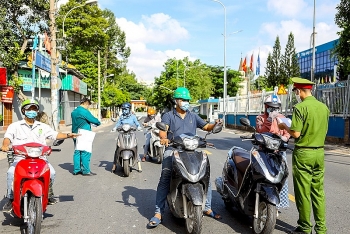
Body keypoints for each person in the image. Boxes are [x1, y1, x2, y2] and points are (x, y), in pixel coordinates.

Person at [148, 87, 222, 228]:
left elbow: (206, 126)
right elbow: (163, 130)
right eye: (183, 100)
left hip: (191, 149)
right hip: (173, 149)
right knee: (165, 177)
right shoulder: (168, 115)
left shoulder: (193, 115)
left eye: (187, 100)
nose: (185, 102)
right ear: (176, 101)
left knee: (204, 175)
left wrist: (215, 125)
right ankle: (158, 212)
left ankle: (206, 207)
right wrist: (164, 139)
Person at [2, 99, 79, 212]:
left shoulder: (42, 126)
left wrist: (68, 135)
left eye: (34, 109)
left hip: (40, 158)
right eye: (29, 109)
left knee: (51, 172)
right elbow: (7, 138)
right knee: (10, 173)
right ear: (24, 111)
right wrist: (5, 145)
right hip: (21, 158)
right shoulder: (15, 126)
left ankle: (48, 193)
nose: (32, 111)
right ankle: (10, 198)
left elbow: (55, 135)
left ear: (37, 111)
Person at [278, 77, 329, 234]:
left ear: (299, 91)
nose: (296, 94)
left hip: (304, 153)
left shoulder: (300, 108)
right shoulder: (324, 108)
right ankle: (321, 229)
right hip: (320, 153)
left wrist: (284, 125)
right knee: (318, 192)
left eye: (296, 91)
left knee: (303, 193)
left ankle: (305, 228)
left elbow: (296, 133)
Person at [256, 94, 291, 213]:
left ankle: (278, 203)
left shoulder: (283, 118)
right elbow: (260, 131)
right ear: (266, 107)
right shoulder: (260, 118)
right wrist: (269, 120)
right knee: (261, 174)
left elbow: (288, 132)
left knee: (281, 176)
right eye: (270, 107)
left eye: (275, 108)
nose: (273, 110)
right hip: (263, 151)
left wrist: (285, 137)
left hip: (278, 152)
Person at [71, 97, 101, 176]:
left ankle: (76, 170)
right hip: (84, 134)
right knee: (85, 152)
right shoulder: (84, 111)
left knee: (77, 152)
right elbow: (95, 121)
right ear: (86, 103)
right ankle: (86, 170)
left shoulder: (74, 111)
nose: (88, 107)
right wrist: (98, 123)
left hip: (74, 133)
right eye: (88, 105)